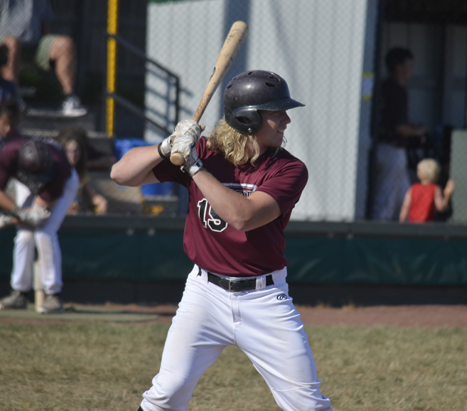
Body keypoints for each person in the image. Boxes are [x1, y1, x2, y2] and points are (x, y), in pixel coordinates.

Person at [110, 70, 332, 411]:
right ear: (247, 118)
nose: (286, 120)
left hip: (265, 299)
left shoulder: (289, 169)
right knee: (166, 393)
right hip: (204, 295)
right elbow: (120, 174)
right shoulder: (204, 152)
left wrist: (195, 167)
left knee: (308, 406)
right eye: (276, 112)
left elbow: (243, 216)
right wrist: (166, 145)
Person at [0, 138, 79, 314]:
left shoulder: (59, 167)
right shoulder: (10, 152)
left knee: (44, 232)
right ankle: (19, 293)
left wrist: (2, 222)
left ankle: (54, 295)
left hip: (64, 185)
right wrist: (18, 213)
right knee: (24, 235)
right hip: (26, 185)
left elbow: (38, 217)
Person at [0, 0, 86, 117]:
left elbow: (45, 22)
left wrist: (47, 51)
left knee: (66, 44)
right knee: (13, 43)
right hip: (2, 44)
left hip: (33, 43)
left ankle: (68, 98)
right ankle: (13, 97)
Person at [371, 47, 428, 221]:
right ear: (398, 67)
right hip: (391, 151)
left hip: (384, 149)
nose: (412, 69)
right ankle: (376, 237)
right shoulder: (396, 89)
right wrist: (419, 131)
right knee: (386, 199)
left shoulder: (384, 86)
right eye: (409, 65)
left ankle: (404, 236)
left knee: (404, 198)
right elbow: (399, 128)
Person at [54, 127, 108, 215]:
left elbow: (93, 195)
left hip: (77, 214)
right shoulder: (57, 172)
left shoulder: (80, 174)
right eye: (69, 151)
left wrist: (100, 201)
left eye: (76, 151)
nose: (73, 155)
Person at [399, 158, 455, 223]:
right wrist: (447, 194)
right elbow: (441, 207)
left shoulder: (413, 188)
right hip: (426, 227)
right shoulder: (435, 189)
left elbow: (405, 206)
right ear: (436, 176)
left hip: (412, 224)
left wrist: (401, 222)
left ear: (418, 175)